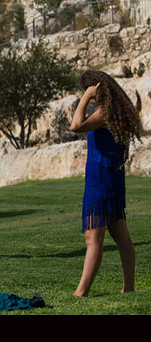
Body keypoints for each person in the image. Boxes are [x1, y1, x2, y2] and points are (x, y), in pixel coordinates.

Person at [70, 70, 142, 297]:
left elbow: (76, 125)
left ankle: (81, 291)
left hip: (101, 180)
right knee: (120, 234)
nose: (90, 95)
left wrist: (84, 98)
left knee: (93, 237)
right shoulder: (113, 111)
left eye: (90, 90)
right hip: (109, 178)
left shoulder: (105, 113)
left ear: (97, 88)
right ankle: (128, 287)